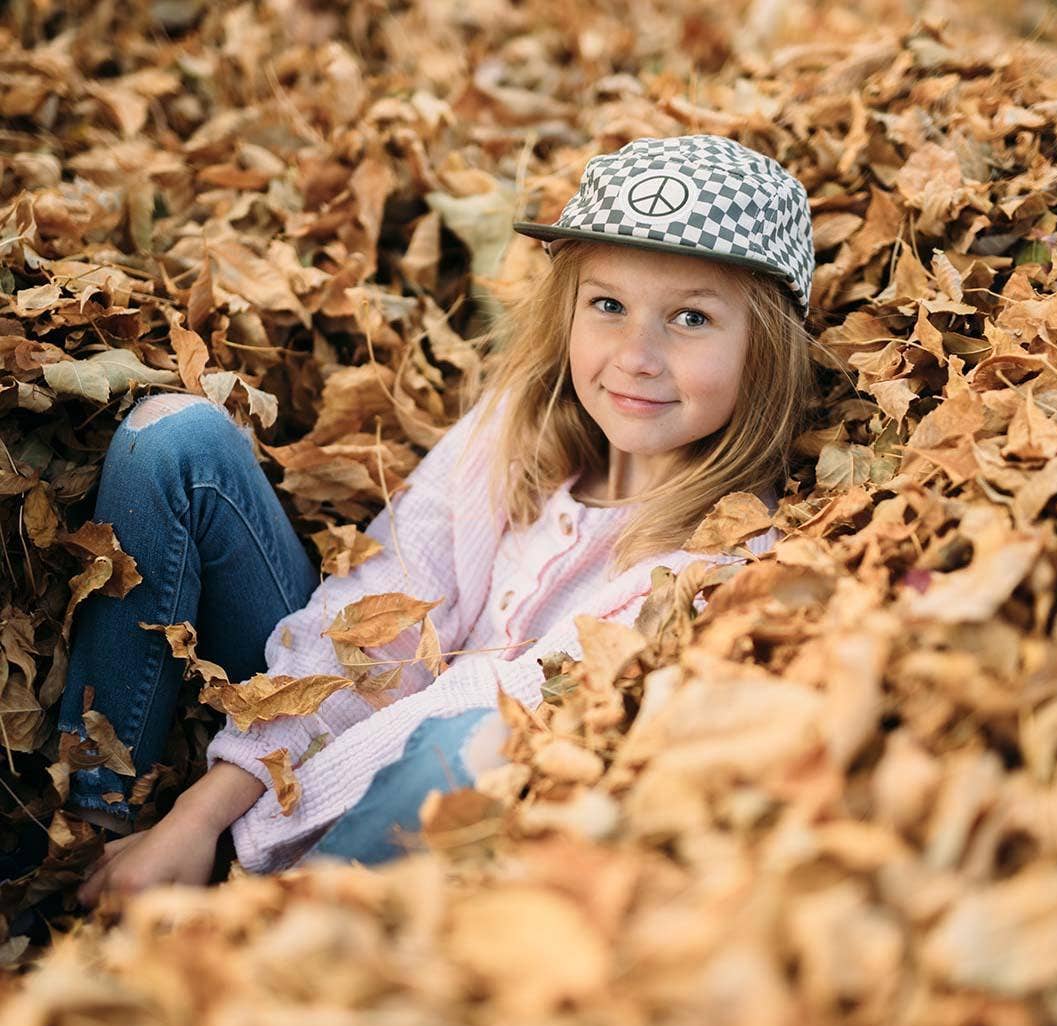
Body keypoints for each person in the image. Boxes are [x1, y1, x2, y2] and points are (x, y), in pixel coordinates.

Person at [69, 135, 815, 907]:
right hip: (293, 749)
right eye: (608, 305)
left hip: (395, 847)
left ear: (766, 349)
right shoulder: (513, 432)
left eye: (690, 317)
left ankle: (263, 946)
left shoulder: (716, 558)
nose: (636, 355)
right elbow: (373, 616)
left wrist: (231, 846)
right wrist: (196, 811)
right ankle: (87, 834)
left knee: (469, 746)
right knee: (175, 440)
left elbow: (481, 713)